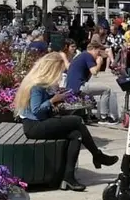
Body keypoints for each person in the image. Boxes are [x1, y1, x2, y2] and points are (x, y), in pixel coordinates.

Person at [14, 53, 119, 191]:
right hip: (34, 126)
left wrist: (57, 97)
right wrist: (54, 100)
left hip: (40, 122)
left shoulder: (41, 83)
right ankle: (97, 156)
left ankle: (68, 177)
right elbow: (37, 110)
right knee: (77, 120)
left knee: (76, 134)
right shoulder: (37, 85)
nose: (60, 74)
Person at [66, 42, 119, 125]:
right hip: (78, 86)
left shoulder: (82, 56)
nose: (98, 55)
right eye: (98, 52)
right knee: (106, 89)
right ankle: (103, 117)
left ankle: (95, 115)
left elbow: (88, 77)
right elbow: (94, 72)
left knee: (101, 89)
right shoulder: (87, 55)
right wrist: (99, 62)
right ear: (93, 49)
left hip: (73, 86)